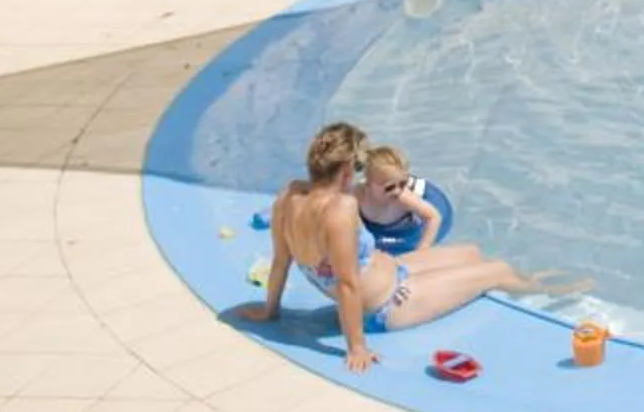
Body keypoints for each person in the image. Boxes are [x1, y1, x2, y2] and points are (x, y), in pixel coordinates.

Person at [232, 121, 555, 372]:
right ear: (346, 172)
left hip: (393, 271)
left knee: (471, 252)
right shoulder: (339, 209)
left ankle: (533, 282)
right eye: (357, 168)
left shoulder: (288, 196)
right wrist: (356, 347)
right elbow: (346, 284)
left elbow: (281, 261)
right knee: (495, 271)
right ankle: (551, 290)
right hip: (390, 306)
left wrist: (269, 310)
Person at [354, 144, 454, 259]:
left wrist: (422, 251)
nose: (397, 191)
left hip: (405, 231)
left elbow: (434, 217)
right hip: (372, 228)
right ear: (368, 185)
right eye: (389, 187)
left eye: (403, 184)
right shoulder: (359, 196)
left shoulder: (404, 198)